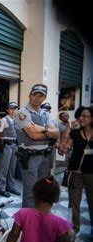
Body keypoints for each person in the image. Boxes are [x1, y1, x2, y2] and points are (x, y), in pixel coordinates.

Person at [14, 84, 59, 208]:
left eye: (41, 96)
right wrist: (48, 132)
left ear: (44, 98)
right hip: (30, 157)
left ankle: (38, 217)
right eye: (34, 94)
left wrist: (42, 129)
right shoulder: (22, 113)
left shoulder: (45, 113)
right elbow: (34, 135)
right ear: (30, 95)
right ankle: (28, 222)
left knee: (42, 190)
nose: (37, 98)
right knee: (30, 191)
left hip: (45, 156)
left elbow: (56, 133)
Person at [59, 106, 93, 234]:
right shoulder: (75, 132)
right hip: (75, 172)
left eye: (85, 116)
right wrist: (68, 131)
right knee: (74, 202)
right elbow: (63, 149)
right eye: (80, 116)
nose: (81, 118)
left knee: (92, 201)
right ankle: (74, 228)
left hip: (91, 172)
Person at [0, 102, 21, 197]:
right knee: (3, 167)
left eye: (15, 109)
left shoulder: (16, 120)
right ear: (7, 110)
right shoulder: (4, 120)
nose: (13, 110)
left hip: (14, 145)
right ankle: (0, 188)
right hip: (6, 145)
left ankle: (10, 186)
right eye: (11, 108)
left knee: (12, 167)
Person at [40, 103, 58, 175]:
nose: (47, 111)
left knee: (49, 165)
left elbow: (57, 132)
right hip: (42, 144)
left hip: (51, 144)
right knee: (41, 165)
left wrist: (57, 142)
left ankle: (47, 182)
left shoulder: (53, 120)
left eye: (48, 109)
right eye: (44, 109)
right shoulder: (38, 119)